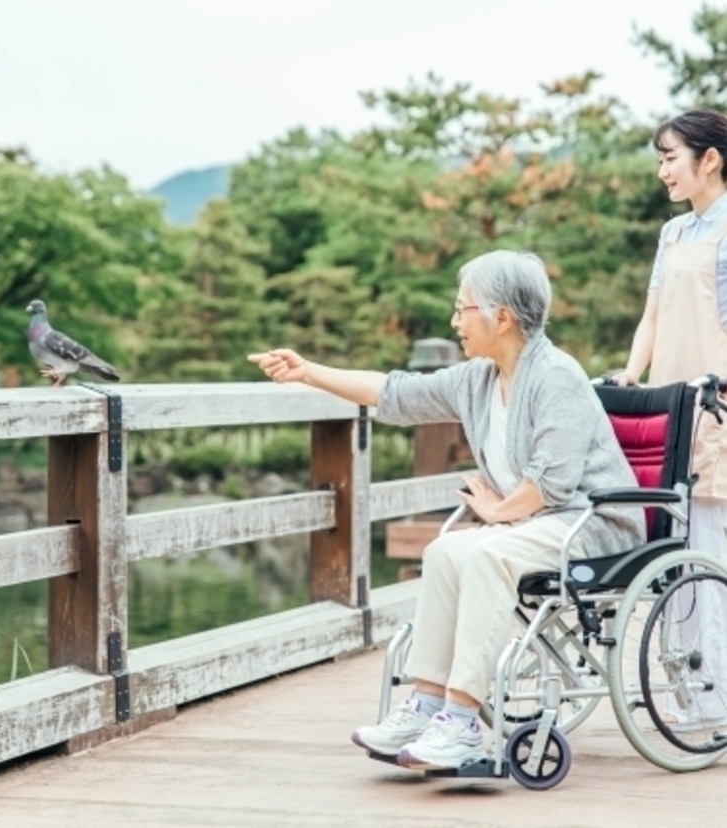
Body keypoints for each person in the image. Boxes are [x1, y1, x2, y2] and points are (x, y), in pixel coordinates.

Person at [249, 250, 645, 770]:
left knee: (486, 556)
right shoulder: (478, 378)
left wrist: (498, 511)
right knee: (445, 552)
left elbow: (551, 485)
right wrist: (308, 372)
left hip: (591, 525)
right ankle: (428, 704)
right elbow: (396, 394)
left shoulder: (556, 376)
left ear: (501, 317)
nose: (455, 321)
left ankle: (460, 725)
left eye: (464, 309)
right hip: (535, 523)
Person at [617, 109, 727, 726]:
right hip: (671, 406)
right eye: (660, 159)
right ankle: (690, 688)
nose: (662, 171)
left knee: (707, 548)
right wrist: (633, 373)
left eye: (670, 158)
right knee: (676, 550)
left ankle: (714, 696)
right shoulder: (673, 234)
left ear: (708, 159)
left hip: (716, 408)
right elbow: (652, 317)